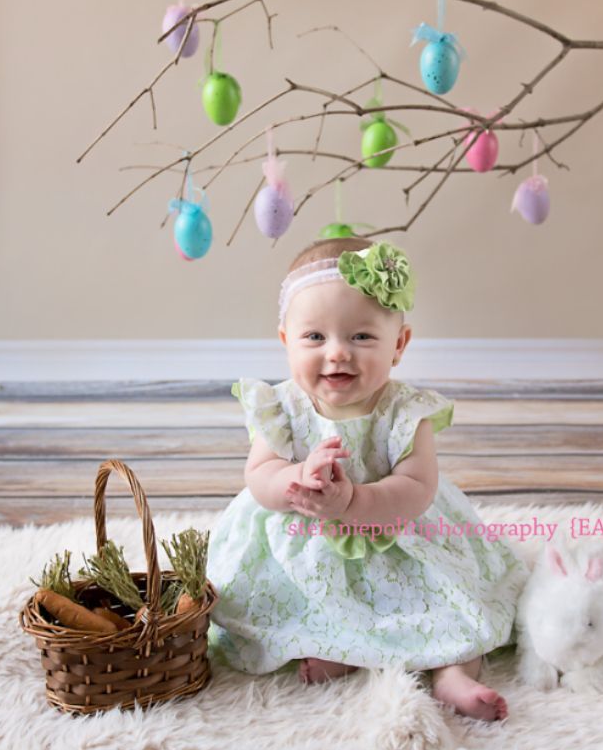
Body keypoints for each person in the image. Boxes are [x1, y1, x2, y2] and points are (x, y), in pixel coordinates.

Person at [206, 237, 529, 721]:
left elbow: (417, 488)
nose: (337, 354)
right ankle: (337, 648)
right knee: (285, 602)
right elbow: (259, 476)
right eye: (314, 337)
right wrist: (294, 478)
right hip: (303, 542)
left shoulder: (407, 411)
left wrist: (354, 500)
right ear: (285, 342)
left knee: (452, 600)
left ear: (399, 345)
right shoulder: (281, 407)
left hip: (398, 536)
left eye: (361, 337)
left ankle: (454, 674)